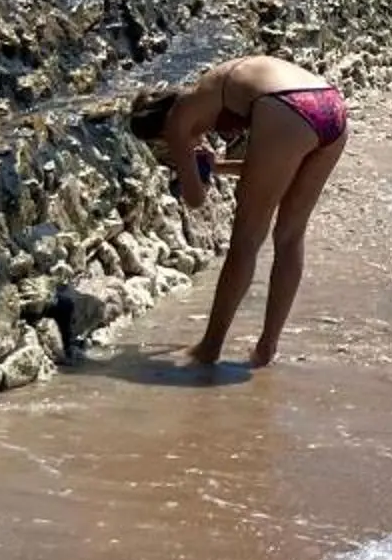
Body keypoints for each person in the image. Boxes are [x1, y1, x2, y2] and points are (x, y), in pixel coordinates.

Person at [128, 54, 351, 369]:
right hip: (331, 108)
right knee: (290, 236)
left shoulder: (178, 119)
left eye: (162, 145)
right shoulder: (211, 86)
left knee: (245, 241)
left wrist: (187, 162)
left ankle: (210, 347)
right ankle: (266, 348)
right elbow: (270, 168)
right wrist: (215, 166)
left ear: (161, 131)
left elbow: (195, 198)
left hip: (286, 107)